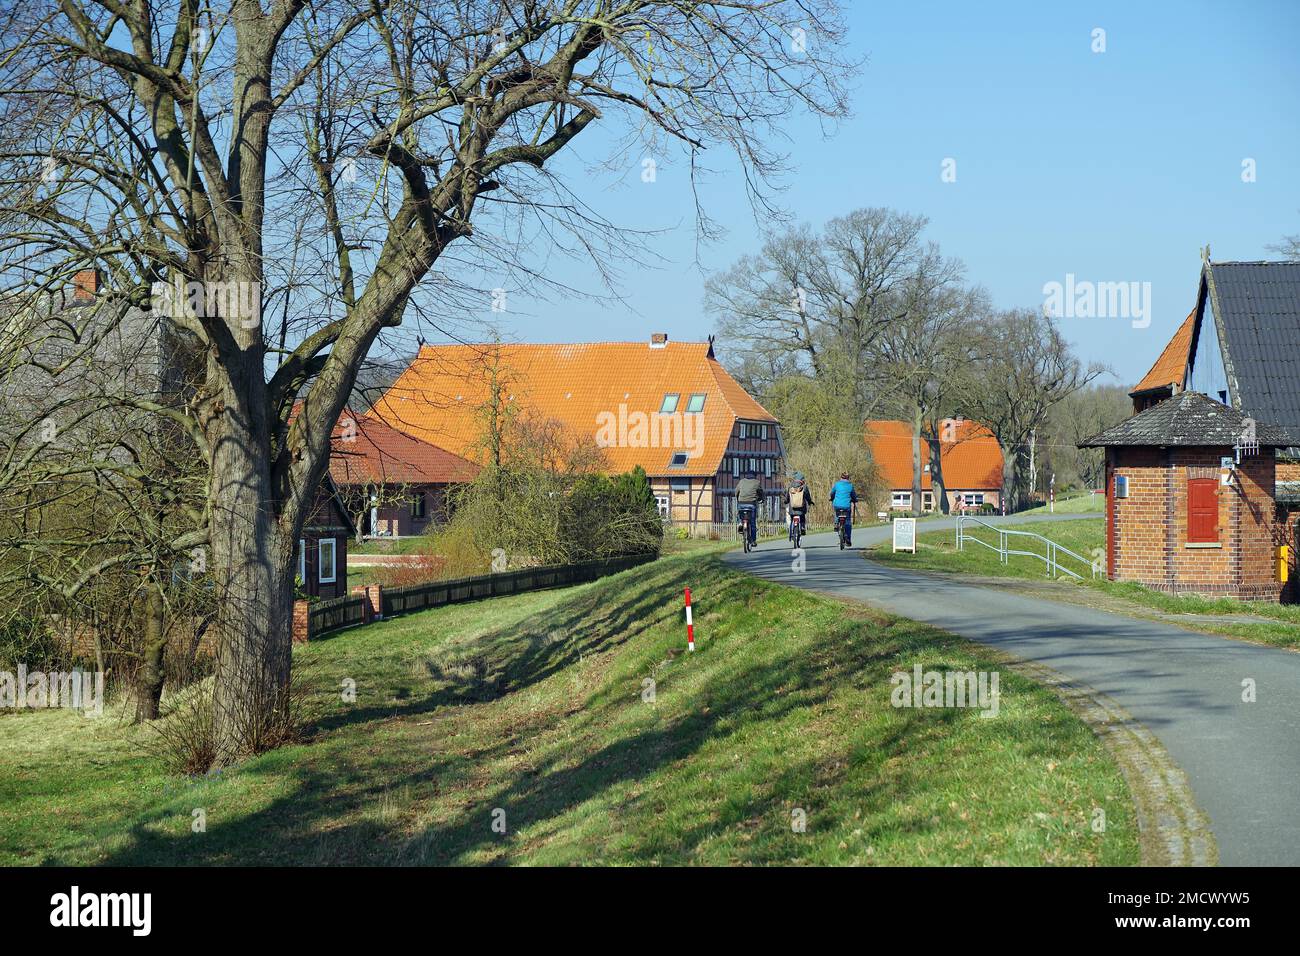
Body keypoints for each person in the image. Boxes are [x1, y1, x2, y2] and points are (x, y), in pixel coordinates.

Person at [828, 471, 858, 546]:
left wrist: (832, 498)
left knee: (837, 513)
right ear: (848, 478)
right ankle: (848, 538)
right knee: (848, 521)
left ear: (841, 477)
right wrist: (854, 500)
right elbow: (853, 495)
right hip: (846, 506)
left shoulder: (837, 484)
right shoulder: (850, 486)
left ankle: (836, 524)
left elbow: (832, 493)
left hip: (837, 505)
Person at [735, 469, 762, 547]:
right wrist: (761, 499)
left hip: (741, 503)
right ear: (754, 476)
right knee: (753, 523)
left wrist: (738, 499)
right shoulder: (757, 482)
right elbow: (761, 492)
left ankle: (740, 523)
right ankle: (753, 541)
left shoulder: (741, 481)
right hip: (751, 504)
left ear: (746, 475)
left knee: (740, 514)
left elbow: (736, 491)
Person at [787, 471, 813, 541]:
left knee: (792, 519)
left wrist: (786, 501)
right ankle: (802, 528)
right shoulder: (804, 487)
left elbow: (787, 497)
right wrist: (810, 502)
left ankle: (790, 533)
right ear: (801, 479)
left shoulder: (790, 486)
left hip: (792, 509)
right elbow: (808, 497)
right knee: (802, 517)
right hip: (801, 509)